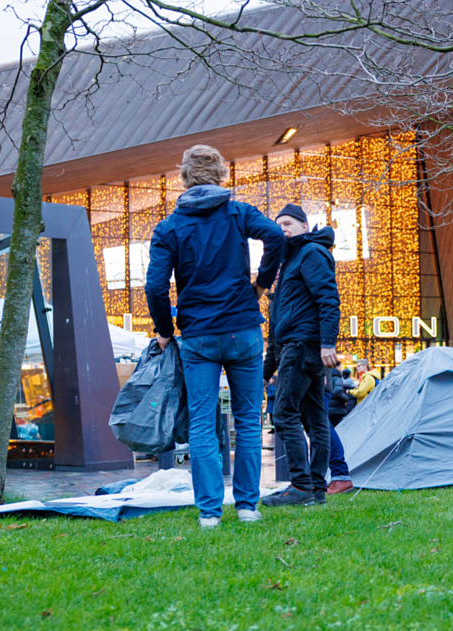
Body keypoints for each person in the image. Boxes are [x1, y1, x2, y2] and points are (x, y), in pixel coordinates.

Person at [145, 144, 285, 528]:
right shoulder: (238, 212)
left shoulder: (169, 227)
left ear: (184, 177)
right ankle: (247, 507)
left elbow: (156, 286)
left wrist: (164, 330)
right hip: (242, 328)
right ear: (221, 174)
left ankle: (209, 513)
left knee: (203, 423)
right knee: (248, 420)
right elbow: (275, 236)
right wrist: (260, 284)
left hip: (198, 335)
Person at [261, 203, 341, 507]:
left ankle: (300, 485)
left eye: (289, 223)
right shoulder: (289, 261)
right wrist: (265, 373)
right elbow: (277, 325)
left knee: (283, 413)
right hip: (294, 345)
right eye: (278, 223)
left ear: (304, 227)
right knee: (315, 418)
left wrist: (327, 343)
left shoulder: (310, 253)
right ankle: (316, 488)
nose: (282, 228)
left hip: (303, 345)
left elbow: (328, 299)